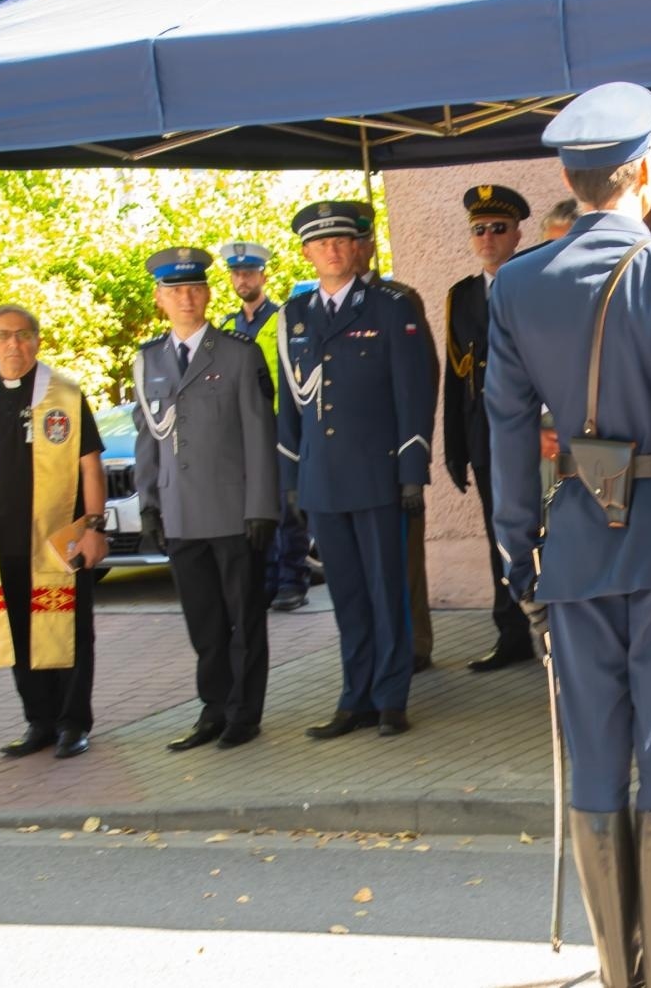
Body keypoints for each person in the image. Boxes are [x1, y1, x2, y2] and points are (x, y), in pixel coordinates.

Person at [484, 81, 651, 988]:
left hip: (576, 548)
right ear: (645, 172)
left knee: (596, 761)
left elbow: (507, 430)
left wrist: (518, 554)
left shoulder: (515, 283)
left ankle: (619, 973)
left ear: (571, 178)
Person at [277, 201, 434, 739]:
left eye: (341, 240)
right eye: (321, 244)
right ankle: (355, 697)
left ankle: (390, 698)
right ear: (307, 253)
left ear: (357, 246)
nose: (332, 251)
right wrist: (291, 479)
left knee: (387, 591)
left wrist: (412, 471)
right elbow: (288, 406)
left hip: (378, 476)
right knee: (345, 595)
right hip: (322, 481)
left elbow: (414, 392)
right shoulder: (294, 316)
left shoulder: (390, 306)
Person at [134, 247, 279, 751]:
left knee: (244, 618)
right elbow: (147, 439)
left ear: (208, 294)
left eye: (194, 289)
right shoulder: (148, 360)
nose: (186, 299)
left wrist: (262, 505)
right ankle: (213, 708)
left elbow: (259, 434)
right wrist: (148, 504)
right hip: (179, 512)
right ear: (160, 299)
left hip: (234, 512)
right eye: (174, 291)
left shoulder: (238, 353)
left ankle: (244, 714)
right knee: (204, 622)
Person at [0, 304, 105, 759]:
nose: (13, 344)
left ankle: (73, 723)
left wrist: (94, 527)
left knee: (71, 632)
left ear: (37, 340)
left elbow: (90, 467)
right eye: (3, 335)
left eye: (22, 334)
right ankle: (40, 721)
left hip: (59, 540)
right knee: (18, 633)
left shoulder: (65, 395)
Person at [444, 184, 536, 673]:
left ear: (518, 234)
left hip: (534, 432)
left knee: (545, 531)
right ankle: (512, 633)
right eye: (479, 229)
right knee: (497, 535)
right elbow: (455, 377)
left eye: (498, 228)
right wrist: (454, 448)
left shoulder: (536, 281)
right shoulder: (461, 296)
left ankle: (557, 626)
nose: (487, 237)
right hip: (485, 436)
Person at [352, 203, 438, 673]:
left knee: (404, 559)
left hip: (393, 453)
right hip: (349, 459)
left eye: (359, 239)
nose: (351, 249)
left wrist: (415, 455)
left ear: (370, 244)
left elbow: (422, 377)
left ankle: (414, 643)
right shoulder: (315, 308)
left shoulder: (398, 299)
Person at [218, 239, 311, 613]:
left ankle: (292, 580)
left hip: (279, 426)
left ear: (263, 277)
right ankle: (267, 580)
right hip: (242, 431)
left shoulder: (283, 318)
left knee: (287, 506)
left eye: (249, 273)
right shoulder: (227, 325)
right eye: (237, 274)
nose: (243, 279)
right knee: (256, 507)